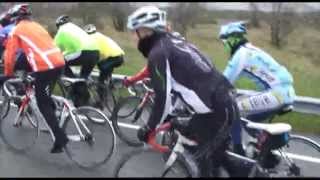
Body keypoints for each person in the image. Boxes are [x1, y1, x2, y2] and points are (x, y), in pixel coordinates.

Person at [127, 6, 249, 177]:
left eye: (135, 32)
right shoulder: (173, 41)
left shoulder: (158, 53)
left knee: (204, 160)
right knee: (210, 155)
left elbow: (162, 99)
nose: (133, 37)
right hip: (218, 105)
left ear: (146, 31)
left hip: (218, 109)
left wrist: (149, 127)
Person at [219, 21, 296, 161]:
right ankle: (264, 151)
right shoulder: (252, 50)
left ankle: (238, 151)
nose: (223, 45)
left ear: (231, 39)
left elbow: (223, 81)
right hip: (286, 93)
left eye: (224, 42)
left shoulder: (240, 55)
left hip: (277, 94)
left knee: (233, 107)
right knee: (249, 120)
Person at [3, 4, 68, 153]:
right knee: (44, 92)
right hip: (59, 62)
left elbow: (9, 56)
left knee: (42, 102)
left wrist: (8, 73)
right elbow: (31, 52)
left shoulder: (17, 30)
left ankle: (60, 138)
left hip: (46, 66)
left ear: (16, 19)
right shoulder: (37, 26)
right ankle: (55, 112)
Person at [54, 15, 100, 107]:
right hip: (95, 53)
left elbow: (53, 49)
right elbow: (72, 49)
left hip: (83, 52)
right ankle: (85, 100)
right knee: (83, 78)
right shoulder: (75, 28)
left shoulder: (61, 31)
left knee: (61, 61)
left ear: (58, 25)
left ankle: (72, 82)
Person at [83, 24, 125, 104]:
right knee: (102, 65)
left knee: (100, 79)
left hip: (114, 58)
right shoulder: (99, 35)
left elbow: (94, 55)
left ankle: (101, 100)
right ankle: (110, 84)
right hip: (119, 57)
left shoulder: (92, 38)